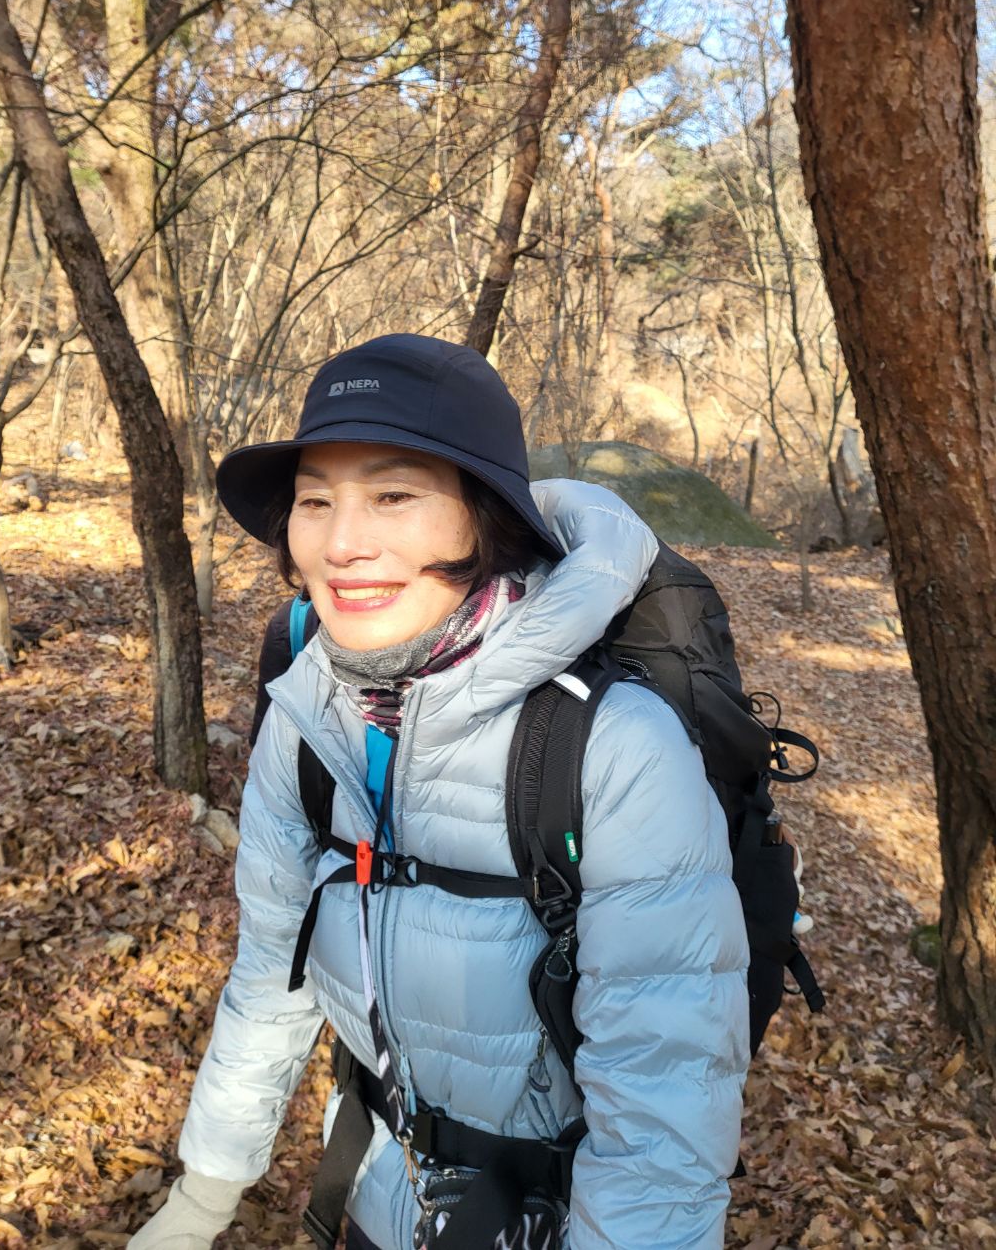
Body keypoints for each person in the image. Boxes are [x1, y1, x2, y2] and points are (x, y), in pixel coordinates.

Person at [127, 333, 750, 1250]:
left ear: (485, 517)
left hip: (551, 1217)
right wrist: (205, 1190)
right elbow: (271, 970)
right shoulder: (307, 718)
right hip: (378, 1191)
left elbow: (662, 1107)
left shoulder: (609, 744)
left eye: (394, 495)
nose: (343, 543)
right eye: (315, 501)